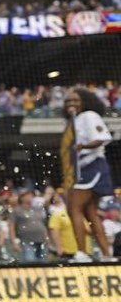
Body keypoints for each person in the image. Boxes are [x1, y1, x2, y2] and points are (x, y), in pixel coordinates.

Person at [61, 88, 115, 262]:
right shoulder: (73, 121)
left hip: (91, 167)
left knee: (73, 208)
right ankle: (107, 255)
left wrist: (83, 147)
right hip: (80, 170)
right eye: (68, 101)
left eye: (76, 100)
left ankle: (82, 253)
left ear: (85, 101)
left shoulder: (89, 115)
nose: (72, 104)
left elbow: (101, 138)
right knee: (90, 213)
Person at [8, 190, 48, 262]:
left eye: (31, 196)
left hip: (41, 240)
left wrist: (46, 237)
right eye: (28, 195)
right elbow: (11, 227)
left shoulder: (37, 209)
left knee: (43, 265)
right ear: (22, 198)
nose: (30, 197)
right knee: (29, 263)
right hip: (26, 241)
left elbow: (42, 224)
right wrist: (14, 242)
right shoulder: (17, 210)